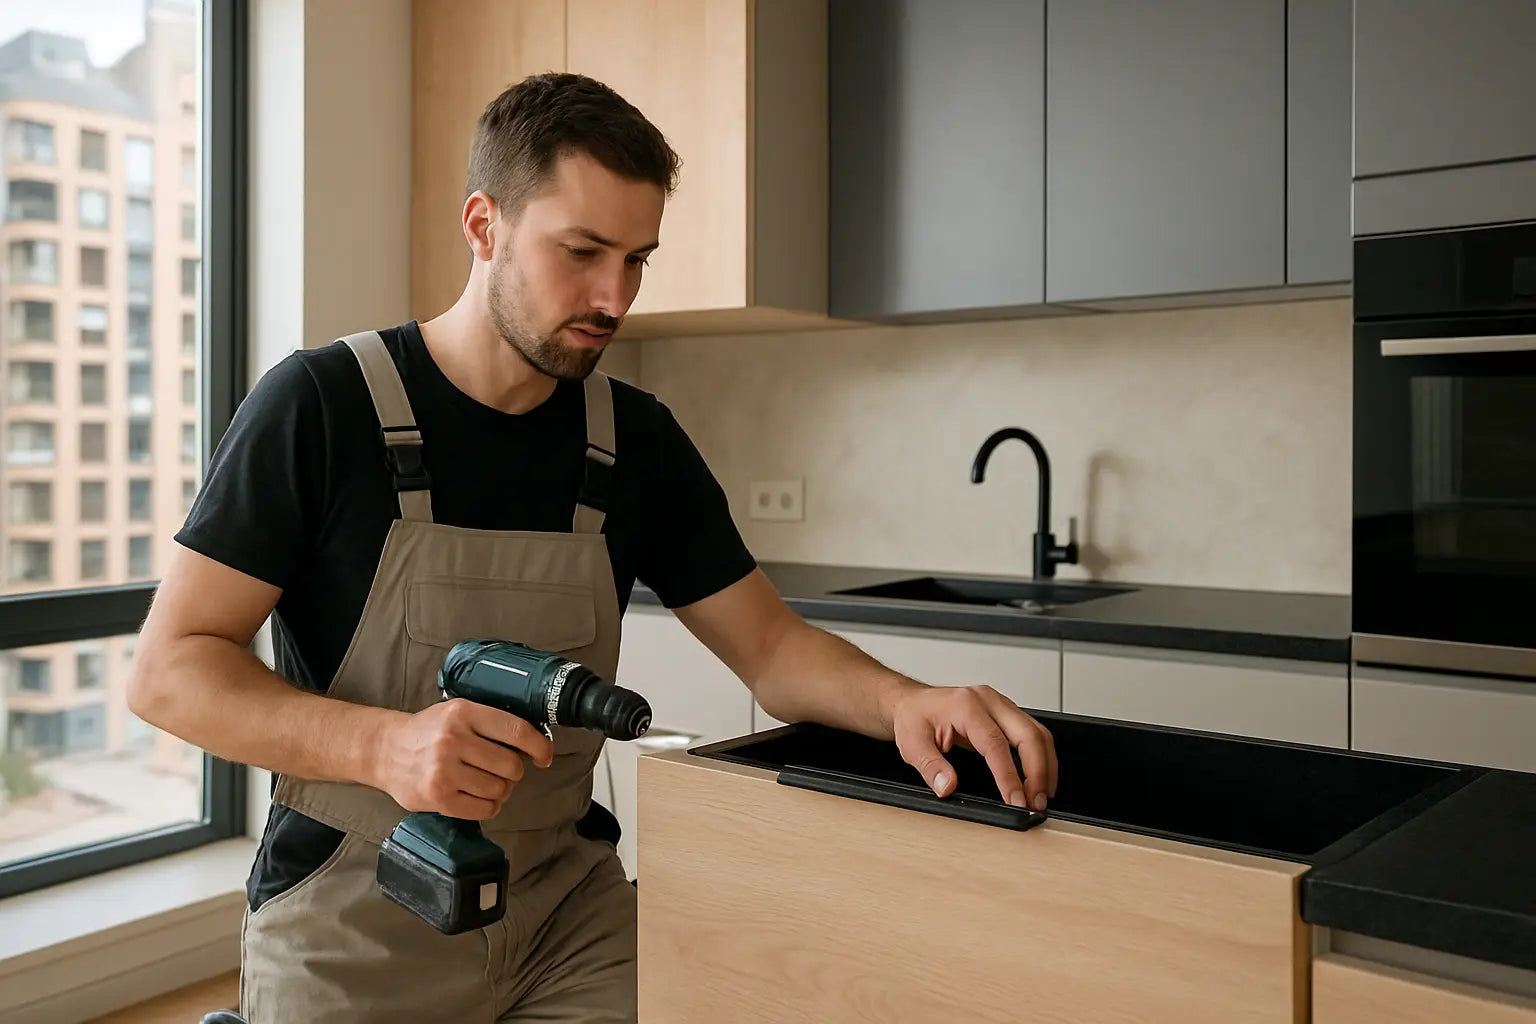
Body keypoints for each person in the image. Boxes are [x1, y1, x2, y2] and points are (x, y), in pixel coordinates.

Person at [127, 72, 1058, 1024]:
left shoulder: (637, 442)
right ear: (483, 225)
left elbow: (772, 650)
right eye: (581, 252)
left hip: (566, 913)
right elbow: (168, 672)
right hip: (353, 919)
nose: (613, 298)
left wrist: (909, 701)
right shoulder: (320, 406)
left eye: (637, 260)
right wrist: (385, 746)